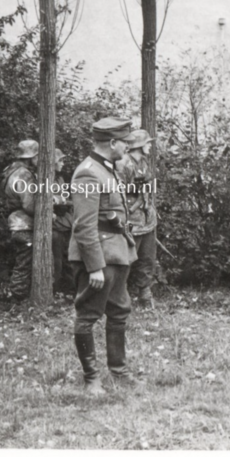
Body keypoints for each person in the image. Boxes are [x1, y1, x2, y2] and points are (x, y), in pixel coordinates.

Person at [69, 117, 139, 394]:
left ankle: (119, 373)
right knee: (88, 315)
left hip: (117, 253)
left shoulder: (106, 170)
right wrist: (94, 266)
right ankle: (92, 379)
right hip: (98, 257)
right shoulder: (88, 173)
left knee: (119, 311)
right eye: (124, 142)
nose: (127, 146)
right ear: (112, 143)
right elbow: (84, 225)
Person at [117, 129, 158, 309]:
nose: (150, 146)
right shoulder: (123, 164)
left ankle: (145, 296)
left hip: (146, 219)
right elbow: (116, 192)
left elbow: (148, 185)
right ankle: (119, 298)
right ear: (139, 145)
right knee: (125, 261)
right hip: (130, 221)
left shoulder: (143, 161)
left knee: (147, 259)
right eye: (147, 143)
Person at [0, 140, 39, 301]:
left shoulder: (11, 170)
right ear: (31, 157)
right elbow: (29, 205)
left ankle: (15, 295)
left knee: (21, 262)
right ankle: (17, 299)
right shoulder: (24, 174)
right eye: (37, 156)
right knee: (24, 264)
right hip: (22, 224)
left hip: (15, 223)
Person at [51, 148, 75, 296]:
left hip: (64, 221)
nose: (63, 163)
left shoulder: (59, 179)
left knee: (68, 258)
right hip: (55, 226)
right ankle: (55, 290)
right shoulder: (44, 179)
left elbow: (64, 198)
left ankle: (69, 290)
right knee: (56, 261)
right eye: (60, 160)